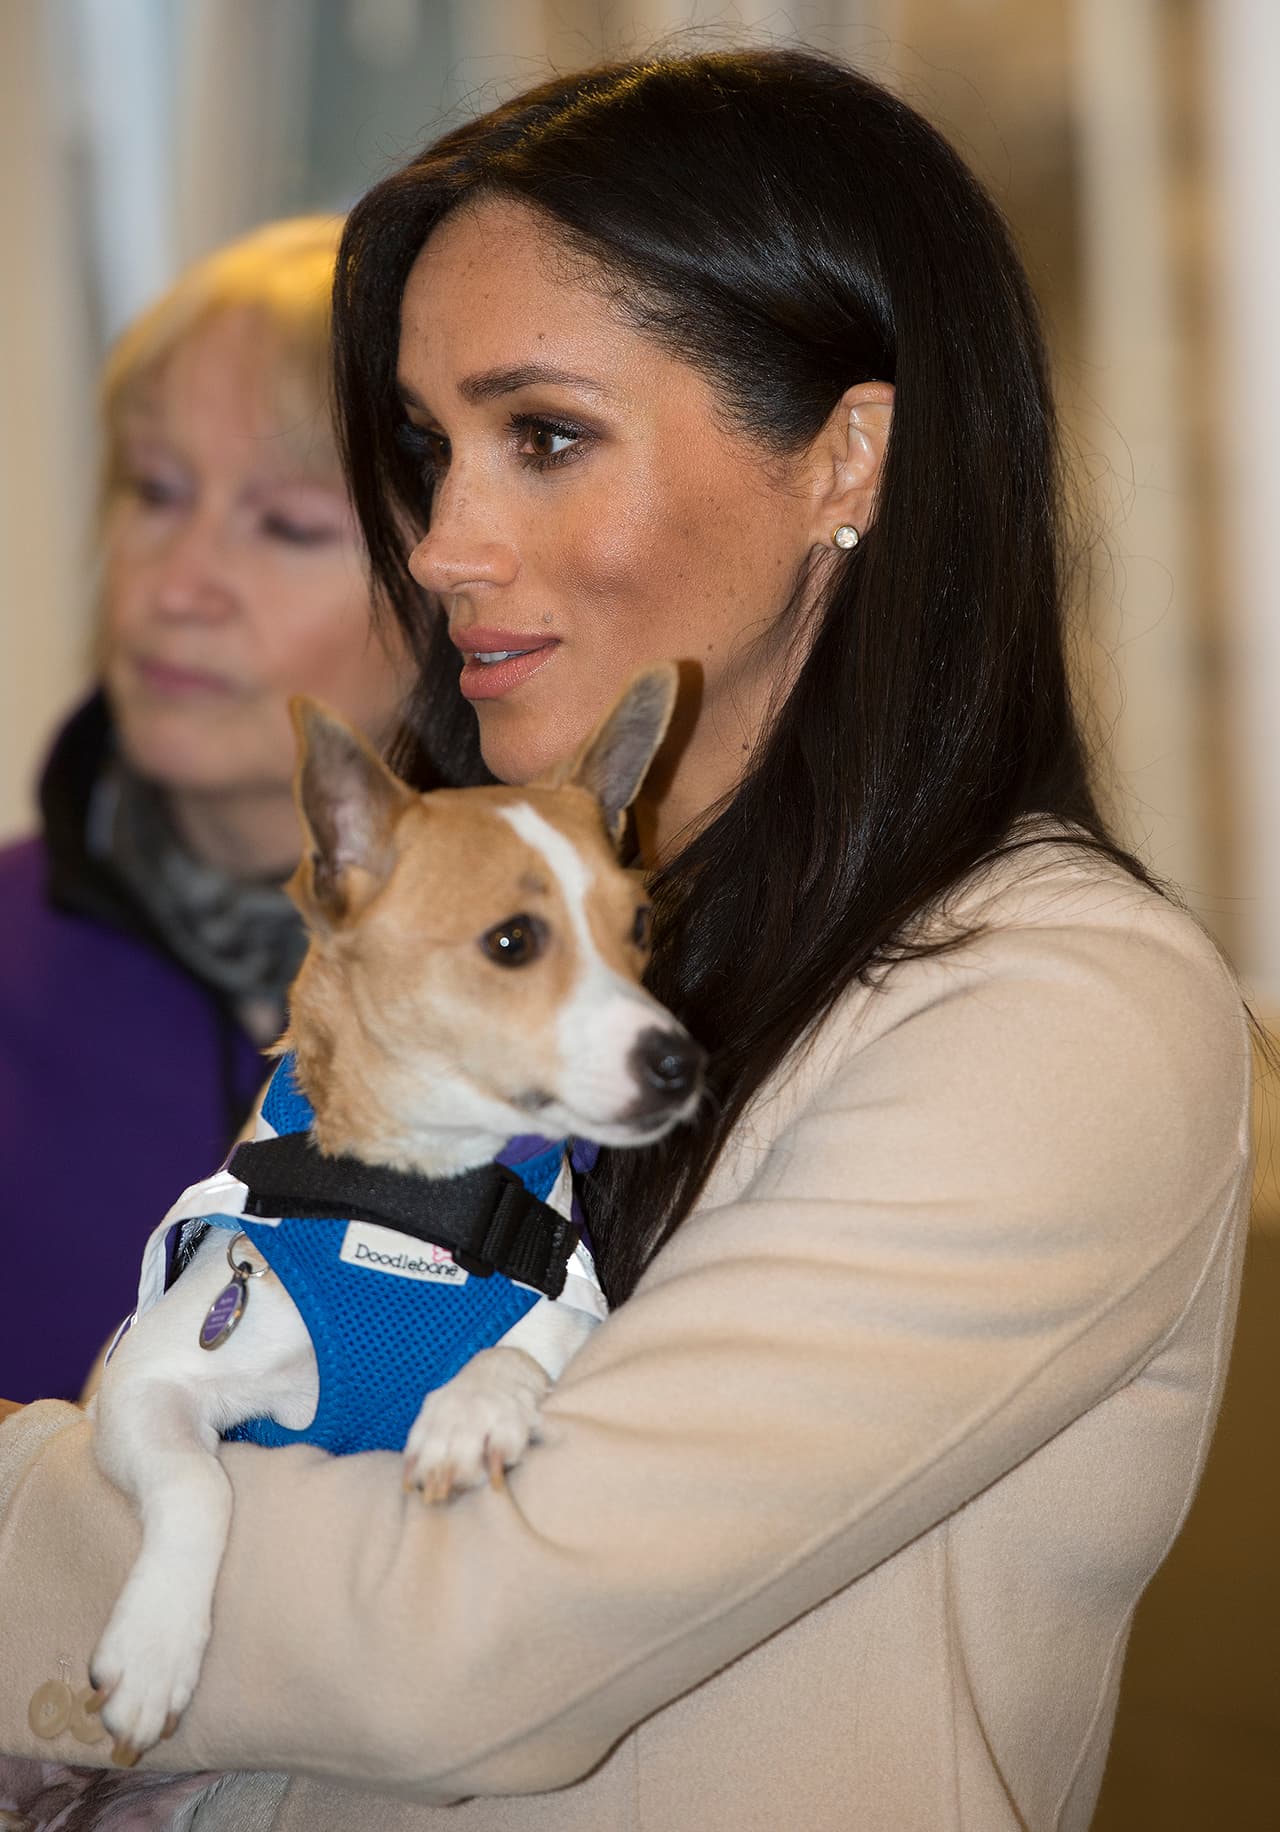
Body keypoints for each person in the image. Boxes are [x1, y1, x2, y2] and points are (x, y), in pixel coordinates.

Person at [0, 49, 1250, 1831]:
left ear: (847, 456)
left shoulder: (1059, 1009)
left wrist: (30, 1495)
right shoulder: (539, 952)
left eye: (547, 437)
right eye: (430, 453)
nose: (437, 545)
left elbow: (468, 1631)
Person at [0, 217, 413, 1403]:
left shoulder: (561, 1007)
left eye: (286, 523)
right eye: (155, 489)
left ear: (450, 598)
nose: (174, 584)